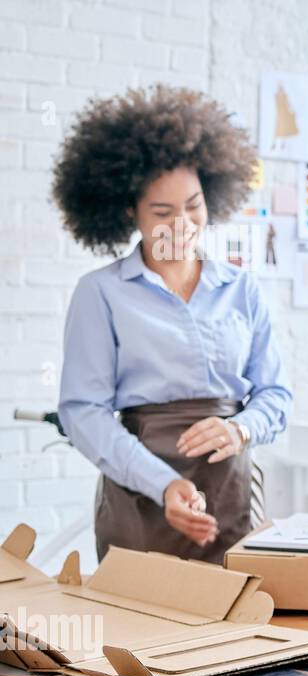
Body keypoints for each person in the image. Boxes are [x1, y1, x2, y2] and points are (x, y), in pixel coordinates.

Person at [53, 85, 291, 564]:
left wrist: (241, 429)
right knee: (143, 631)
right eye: (162, 212)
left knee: (242, 627)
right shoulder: (101, 293)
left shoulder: (242, 290)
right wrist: (163, 484)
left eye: (194, 205)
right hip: (141, 494)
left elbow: (276, 396)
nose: (182, 224)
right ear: (128, 212)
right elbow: (83, 412)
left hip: (233, 493)